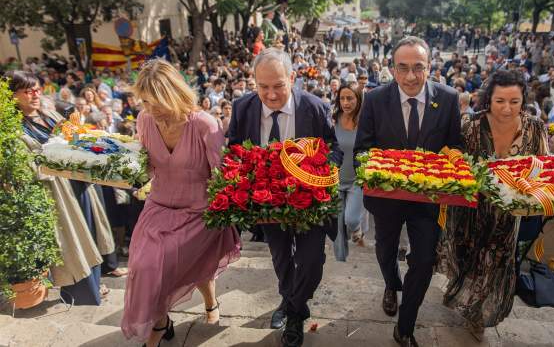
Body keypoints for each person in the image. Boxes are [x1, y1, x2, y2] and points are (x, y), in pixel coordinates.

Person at [227, 48, 341, 347]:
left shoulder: (315, 108)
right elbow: (234, 150)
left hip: (309, 202)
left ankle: (291, 307)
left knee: (312, 261)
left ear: (292, 77)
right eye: (263, 86)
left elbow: (334, 148)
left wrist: (320, 173)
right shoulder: (242, 108)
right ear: (254, 82)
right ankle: (294, 311)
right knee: (281, 258)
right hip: (267, 202)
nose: (272, 94)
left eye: (278, 85)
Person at [122, 59, 240, 346]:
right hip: (158, 206)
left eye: (156, 103)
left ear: (174, 94)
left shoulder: (204, 124)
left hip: (199, 212)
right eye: (145, 103)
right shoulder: (144, 120)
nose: (150, 110)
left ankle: (210, 303)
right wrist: (116, 166)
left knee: (191, 264)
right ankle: (161, 322)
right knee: (145, 266)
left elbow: (222, 174)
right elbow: (147, 167)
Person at [354, 36, 461, 347]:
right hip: (385, 200)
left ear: (429, 67)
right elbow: (363, 149)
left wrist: (443, 167)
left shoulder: (449, 98)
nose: (411, 76)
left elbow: (455, 145)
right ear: (392, 69)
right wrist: (384, 172)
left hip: (428, 201)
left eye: (418, 68)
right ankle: (391, 283)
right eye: (403, 68)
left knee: (425, 260)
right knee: (385, 251)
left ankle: (405, 327)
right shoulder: (374, 99)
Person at [438, 70, 549, 340]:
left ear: (524, 99)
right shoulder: (471, 125)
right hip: (468, 209)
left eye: (514, 101)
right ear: (489, 99)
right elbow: (453, 159)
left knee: (496, 262)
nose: (507, 108)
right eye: (500, 101)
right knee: (467, 259)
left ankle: (479, 316)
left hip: (508, 213)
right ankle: (465, 298)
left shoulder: (535, 128)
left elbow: (543, 167)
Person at [6, 70, 115, 306]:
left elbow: (72, 137)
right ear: (13, 95)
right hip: (56, 191)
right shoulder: (14, 128)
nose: (35, 95)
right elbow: (24, 165)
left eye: (37, 89)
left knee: (90, 235)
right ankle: (81, 294)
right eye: (28, 91)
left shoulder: (49, 112)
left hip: (78, 182)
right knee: (73, 241)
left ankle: (95, 284)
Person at [332, 84, 368, 261]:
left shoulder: (366, 122)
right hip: (336, 178)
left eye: (350, 98)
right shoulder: (333, 119)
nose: (345, 103)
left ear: (358, 99)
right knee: (337, 223)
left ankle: (359, 228)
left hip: (357, 180)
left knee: (351, 219)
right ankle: (341, 259)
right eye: (342, 98)